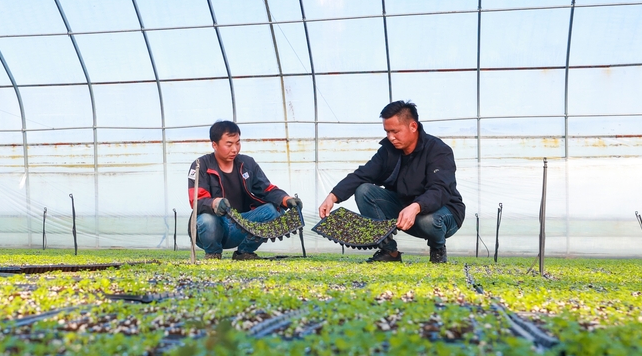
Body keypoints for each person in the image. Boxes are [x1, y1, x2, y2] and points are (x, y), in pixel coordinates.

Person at [318, 101, 464, 264]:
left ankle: (438, 248)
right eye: (387, 132)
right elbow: (363, 174)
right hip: (405, 210)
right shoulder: (389, 151)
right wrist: (333, 196)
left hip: (444, 213)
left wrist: (416, 207)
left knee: (427, 219)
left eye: (395, 131)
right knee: (364, 190)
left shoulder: (438, 150)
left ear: (413, 126)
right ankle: (389, 251)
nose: (390, 137)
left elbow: (440, 189)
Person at [187, 120, 298, 260]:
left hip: (241, 225)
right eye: (229, 144)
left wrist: (286, 199)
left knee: (273, 211)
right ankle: (213, 253)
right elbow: (196, 200)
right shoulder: (200, 165)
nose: (235, 149)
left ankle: (244, 252)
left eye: (238, 143)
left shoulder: (247, 164)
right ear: (214, 144)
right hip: (212, 228)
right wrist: (215, 203)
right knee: (207, 220)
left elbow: (267, 189)